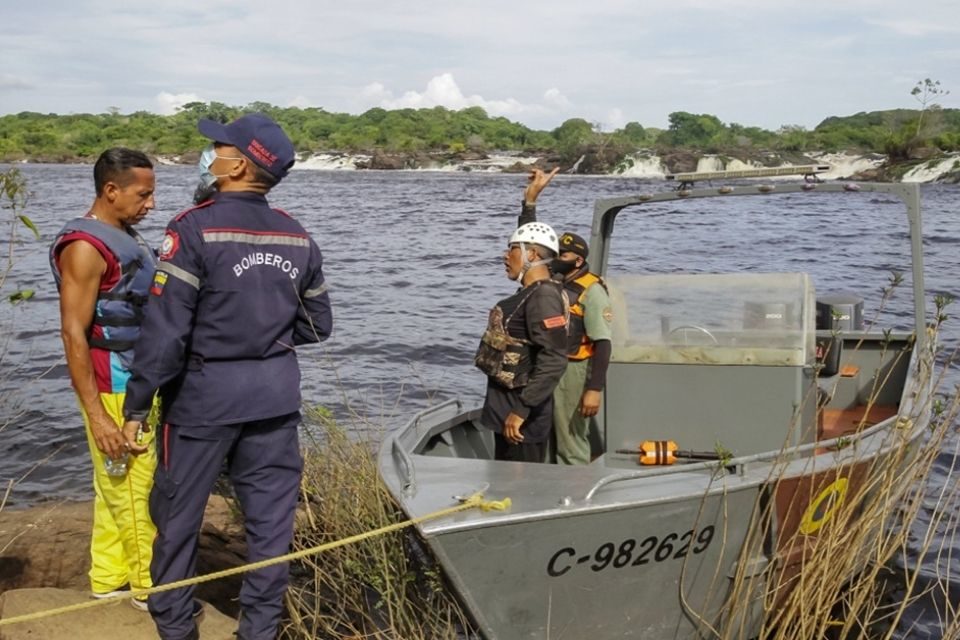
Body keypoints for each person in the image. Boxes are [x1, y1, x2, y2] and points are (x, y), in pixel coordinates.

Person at [120, 113, 333, 640]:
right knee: (270, 530)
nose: (207, 156)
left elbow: (165, 334)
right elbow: (317, 325)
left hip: (201, 401)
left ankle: (175, 627)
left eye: (215, 148)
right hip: (274, 400)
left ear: (238, 165)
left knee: (176, 520)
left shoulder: (193, 228)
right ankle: (258, 632)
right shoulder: (297, 236)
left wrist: (136, 406)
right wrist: (263, 342)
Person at [49, 147, 159, 609]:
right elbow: (74, 333)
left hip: (135, 378)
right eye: (143, 194)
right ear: (110, 190)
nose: (150, 204)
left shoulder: (120, 235)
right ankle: (148, 588)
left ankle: (107, 577)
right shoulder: (84, 248)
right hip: (114, 384)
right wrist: (98, 416)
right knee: (137, 484)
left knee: (112, 482)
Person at [520, 168, 613, 465]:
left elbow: (603, 343)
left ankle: (578, 495)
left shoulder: (593, 291)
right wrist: (530, 203)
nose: (556, 258)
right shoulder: (551, 281)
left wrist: (594, 390)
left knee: (570, 439)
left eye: (563, 255)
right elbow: (528, 247)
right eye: (555, 253)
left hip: (574, 370)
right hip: (547, 366)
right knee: (544, 433)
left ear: (579, 261)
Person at [475, 221, 568, 463]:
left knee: (518, 493)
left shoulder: (544, 296)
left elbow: (555, 358)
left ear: (532, 254)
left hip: (520, 424)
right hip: (508, 415)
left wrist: (521, 411)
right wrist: (529, 203)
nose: (506, 256)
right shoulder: (531, 291)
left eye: (512, 249)